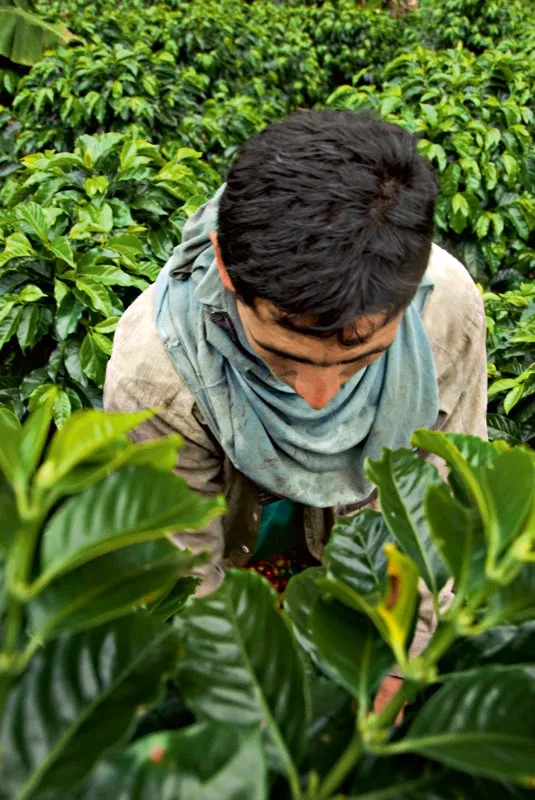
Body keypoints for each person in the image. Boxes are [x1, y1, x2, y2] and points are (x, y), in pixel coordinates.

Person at [104, 110, 487, 705]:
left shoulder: (446, 312)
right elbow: (179, 578)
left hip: (362, 554)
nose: (317, 395)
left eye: (359, 359)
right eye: (285, 359)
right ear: (226, 269)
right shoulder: (156, 374)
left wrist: (398, 656)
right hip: (242, 551)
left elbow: (436, 501)